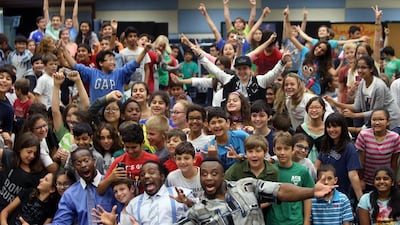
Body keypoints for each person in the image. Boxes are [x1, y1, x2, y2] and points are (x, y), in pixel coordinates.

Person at [176, 158, 336, 225]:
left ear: (223, 175)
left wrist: (311, 192)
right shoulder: (197, 211)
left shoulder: (246, 186)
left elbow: (280, 190)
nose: (209, 178)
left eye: (214, 173)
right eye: (204, 174)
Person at [62, 37, 152, 104]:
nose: (113, 62)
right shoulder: (92, 73)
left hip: (116, 112)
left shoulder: (119, 73)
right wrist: (64, 51)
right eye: (110, 60)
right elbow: (75, 66)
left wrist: (144, 51)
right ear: (101, 63)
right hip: (97, 113)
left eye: (114, 60)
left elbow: (134, 64)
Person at [325, 55, 400, 132]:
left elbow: (377, 111)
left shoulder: (379, 86)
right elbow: (357, 106)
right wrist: (335, 103)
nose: (360, 70)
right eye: (358, 67)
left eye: (363, 67)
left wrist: (354, 115)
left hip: (391, 120)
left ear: (371, 69)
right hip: (377, 120)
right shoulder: (361, 83)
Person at [50, 147, 122, 225]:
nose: (83, 165)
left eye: (86, 161)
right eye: (78, 163)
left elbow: (126, 215)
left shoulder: (112, 185)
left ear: (94, 161)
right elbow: (61, 222)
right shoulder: (70, 194)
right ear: (74, 167)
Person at [122, 160, 196, 224]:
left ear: (162, 176)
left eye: (151, 172)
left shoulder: (180, 193)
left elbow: (201, 215)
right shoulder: (133, 204)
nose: (146, 176)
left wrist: (187, 202)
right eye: (142, 174)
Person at [266, 132, 314, 225]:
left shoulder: (302, 171)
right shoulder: (269, 170)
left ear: (292, 149)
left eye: (286, 149)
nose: (282, 152)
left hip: (296, 221)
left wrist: (307, 221)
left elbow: (308, 197)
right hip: (274, 221)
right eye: (279, 149)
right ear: (274, 150)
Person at [97, 123, 159, 196]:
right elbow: (99, 190)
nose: (130, 151)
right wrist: (111, 178)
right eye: (127, 147)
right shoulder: (119, 161)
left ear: (142, 143)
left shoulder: (153, 160)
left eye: (134, 147)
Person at [315, 113, 363, 201]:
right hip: (323, 192)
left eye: (335, 127)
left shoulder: (349, 148)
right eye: (329, 127)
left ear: (342, 128)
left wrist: (360, 199)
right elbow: (317, 166)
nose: (331, 130)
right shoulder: (325, 143)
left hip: (341, 195)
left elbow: (353, 175)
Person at [355, 109, 400, 191]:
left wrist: (393, 181)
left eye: (381, 119)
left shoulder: (395, 137)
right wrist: (361, 180)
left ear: (388, 121)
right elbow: (361, 161)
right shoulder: (364, 135)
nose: (377, 123)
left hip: (386, 182)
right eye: (374, 120)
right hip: (367, 181)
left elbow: (394, 162)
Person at [0, 132, 46, 211]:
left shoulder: (37, 174)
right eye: (29, 152)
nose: (32, 156)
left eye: (35, 153)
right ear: (20, 149)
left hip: (12, 213)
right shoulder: (10, 157)